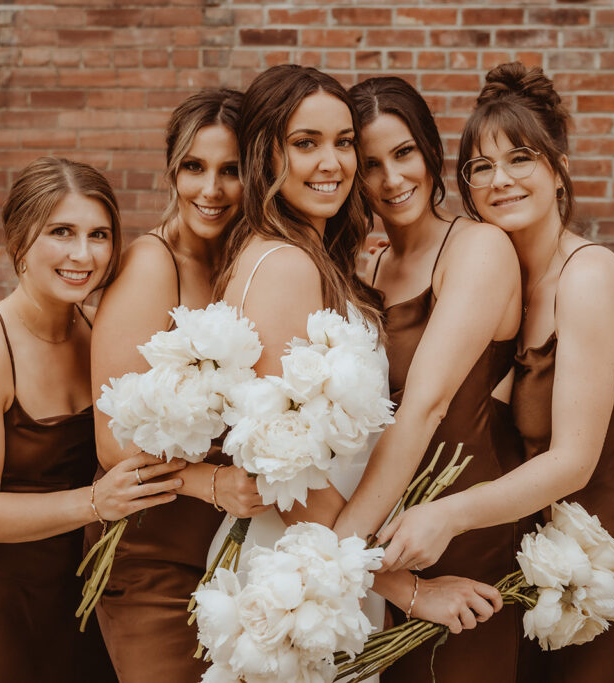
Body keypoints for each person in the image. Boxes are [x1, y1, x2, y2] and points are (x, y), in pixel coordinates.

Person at [377, 63, 614, 682]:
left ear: (560, 165)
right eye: (481, 167)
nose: (501, 181)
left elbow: (574, 460)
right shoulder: (505, 280)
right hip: (541, 575)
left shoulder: (589, 278)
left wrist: (446, 515)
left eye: (521, 158)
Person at [0, 157, 185, 682]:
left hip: (82, 603)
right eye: (61, 232)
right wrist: (94, 502)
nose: (82, 255)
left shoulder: (99, 332)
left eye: (99, 235)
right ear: (19, 239)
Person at [327, 76, 542, 683]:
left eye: (404, 154)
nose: (391, 180)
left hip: (458, 531)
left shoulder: (478, 248)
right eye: (369, 164)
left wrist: (337, 550)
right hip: (381, 535)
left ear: (429, 151)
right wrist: (363, 558)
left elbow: (424, 405)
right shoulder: (361, 263)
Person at [87, 89, 269, 683]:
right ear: (172, 170)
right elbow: (113, 443)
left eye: (230, 171)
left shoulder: (245, 263)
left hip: (227, 546)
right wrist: (209, 481)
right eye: (194, 167)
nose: (210, 190)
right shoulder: (151, 264)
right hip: (151, 546)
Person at [206, 63, 391, 642]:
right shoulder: (285, 266)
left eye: (344, 142)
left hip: (326, 557)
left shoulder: (305, 255)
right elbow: (283, 470)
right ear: (266, 155)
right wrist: (402, 583)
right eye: (305, 144)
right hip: (299, 571)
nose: (332, 163)